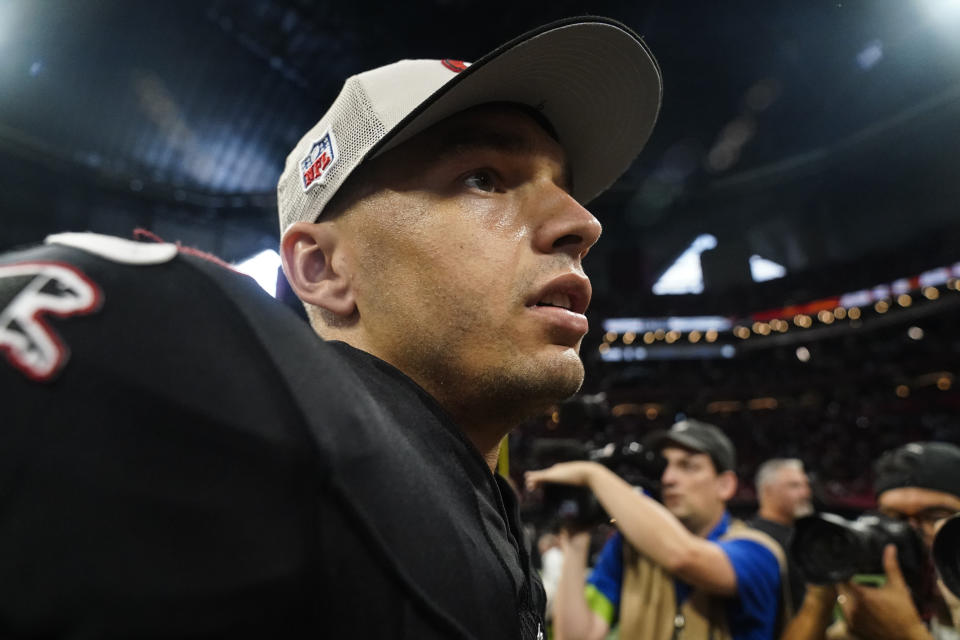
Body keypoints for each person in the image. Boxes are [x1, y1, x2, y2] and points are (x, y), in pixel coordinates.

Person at [0, 17, 662, 640]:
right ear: (321, 269)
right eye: (483, 178)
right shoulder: (219, 374)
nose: (582, 222)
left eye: (564, 185)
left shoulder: (472, 495)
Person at [526, 419, 786, 640]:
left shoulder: (758, 550)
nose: (668, 479)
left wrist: (594, 475)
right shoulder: (629, 548)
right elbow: (578, 637)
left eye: (688, 466)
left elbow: (685, 557)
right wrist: (575, 539)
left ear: (725, 485)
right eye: (665, 466)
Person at [782, 441, 960, 640]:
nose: (910, 532)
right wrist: (819, 600)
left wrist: (907, 635)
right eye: (893, 518)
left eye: (935, 515)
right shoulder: (878, 614)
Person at [748, 457, 814, 612]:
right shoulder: (752, 540)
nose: (806, 493)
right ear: (768, 491)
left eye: (806, 485)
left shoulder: (805, 536)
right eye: (794, 486)